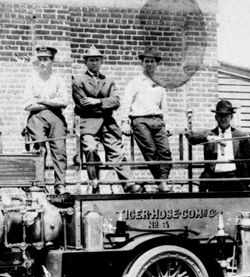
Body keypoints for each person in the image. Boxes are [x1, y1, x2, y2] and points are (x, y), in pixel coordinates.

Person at [72, 45, 142, 194]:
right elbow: (82, 105)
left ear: (101, 62)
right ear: (86, 62)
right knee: (90, 148)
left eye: (97, 60)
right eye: (91, 60)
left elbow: (116, 102)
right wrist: (105, 104)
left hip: (108, 124)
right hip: (88, 123)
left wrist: (97, 102)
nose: (94, 63)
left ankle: (129, 184)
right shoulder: (79, 81)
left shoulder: (108, 81)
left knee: (117, 152)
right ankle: (94, 181)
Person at [120, 47, 173, 192]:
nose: (149, 64)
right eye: (146, 61)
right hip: (140, 121)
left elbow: (165, 105)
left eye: (152, 62)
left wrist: (167, 124)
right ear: (142, 63)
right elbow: (126, 103)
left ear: (156, 64)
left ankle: (163, 181)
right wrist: (124, 122)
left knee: (166, 152)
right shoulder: (135, 82)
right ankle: (162, 183)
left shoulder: (160, 83)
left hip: (158, 120)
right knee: (151, 152)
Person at [23, 45, 69, 194]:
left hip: (56, 119)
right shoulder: (31, 81)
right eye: (40, 60)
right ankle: (39, 185)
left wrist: (41, 100)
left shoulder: (59, 80)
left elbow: (63, 102)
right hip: (36, 119)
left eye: (46, 60)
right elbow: (27, 105)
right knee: (39, 150)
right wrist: (50, 102)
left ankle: (60, 185)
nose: (43, 63)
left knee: (59, 151)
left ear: (52, 61)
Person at [187, 99, 250, 192]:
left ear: (231, 116)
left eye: (226, 116)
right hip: (214, 180)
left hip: (235, 179)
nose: (223, 119)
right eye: (220, 115)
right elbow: (191, 138)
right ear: (216, 117)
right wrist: (210, 138)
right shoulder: (210, 134)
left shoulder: (240, 136)